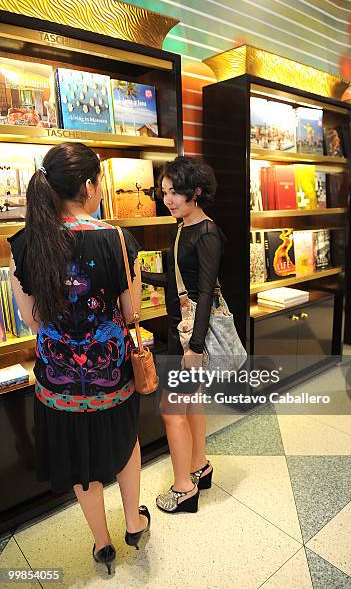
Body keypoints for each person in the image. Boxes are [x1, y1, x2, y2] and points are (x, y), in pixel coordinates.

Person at [8, 143, 150, 575]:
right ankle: (133, 524)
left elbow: (32, 320)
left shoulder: (26, 243)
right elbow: (130, 313)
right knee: (125, 442)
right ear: (90, 186)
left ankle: (102, 544)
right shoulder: (118, 240)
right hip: (112, 375)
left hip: (57, 379)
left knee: (78, 460)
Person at [141, 156, 225, 514]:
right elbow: (183, 284)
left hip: (191, 337)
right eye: (165, 192)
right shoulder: (184, 227)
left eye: (176, 192)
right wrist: (143, 276)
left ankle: (183, 488)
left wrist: (195, 347)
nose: (168, 199)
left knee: (172, 412)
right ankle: (200, 466)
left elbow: (206, 292)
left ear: (197, 192)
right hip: (182, 332)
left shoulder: (206, 232)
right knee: (190, 404)